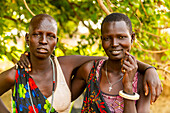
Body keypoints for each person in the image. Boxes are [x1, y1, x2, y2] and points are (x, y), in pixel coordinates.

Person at [0, 14, 162, 113]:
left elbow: (110, 57)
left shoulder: (65, 66)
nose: (43, 41)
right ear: (28, 39)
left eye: (50, 36)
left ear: (56, 41)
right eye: (37, 35)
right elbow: (109, 57)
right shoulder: (17, 75)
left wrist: (149, 69)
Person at [71, 13, 157, 113]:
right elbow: (61, 102)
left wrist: (128, 87)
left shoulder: (142, 80)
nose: (114, 44)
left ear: (132, 38)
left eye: (121, 37)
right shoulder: (90, 71)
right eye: (107, 38)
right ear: (101, 39)